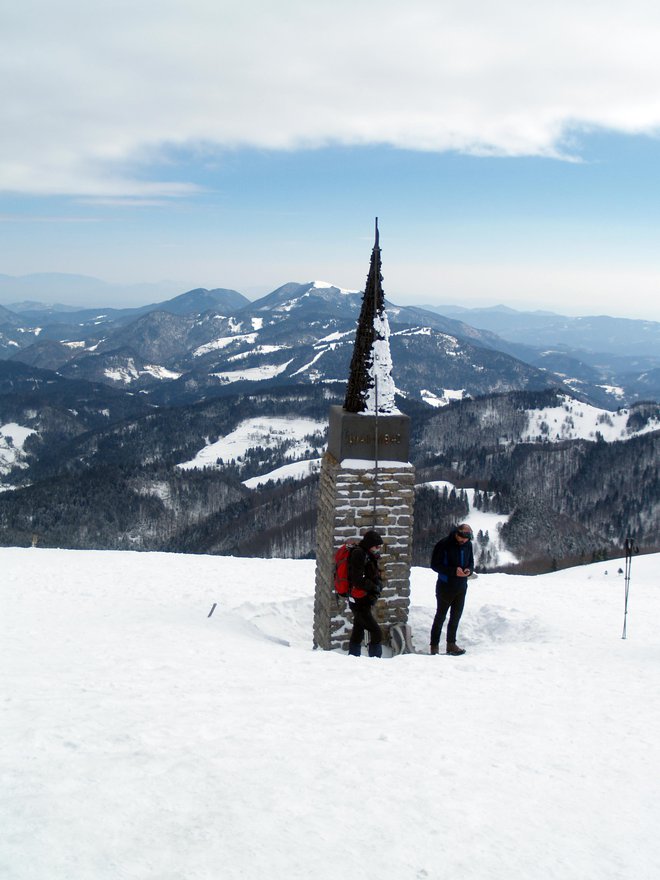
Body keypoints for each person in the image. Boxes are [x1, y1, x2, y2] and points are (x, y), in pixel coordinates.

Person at [429, 523, 474, 656]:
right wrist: (454, 571)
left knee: (456, 616)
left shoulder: (468, 545)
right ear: (456, 534)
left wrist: (469, 570)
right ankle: (434, 646)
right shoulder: (444, 544)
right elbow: (435, 565)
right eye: (462, 538)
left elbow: (471, 562)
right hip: (445, 586)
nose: (464, 540)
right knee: (440, 616)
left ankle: (451, 644)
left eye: (467, 538)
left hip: (461, 586)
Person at [347, 529, 384, 657]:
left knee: (358, 630)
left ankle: (353, 659)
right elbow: (357, 579)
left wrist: (377, 585)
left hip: (362, 600)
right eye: (377, 545)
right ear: (369, 544)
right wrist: (374, 587)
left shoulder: (368, 554)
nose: (378, 548)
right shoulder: (359, 554)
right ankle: (375, 662)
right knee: (376, 632)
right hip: (359, 600)